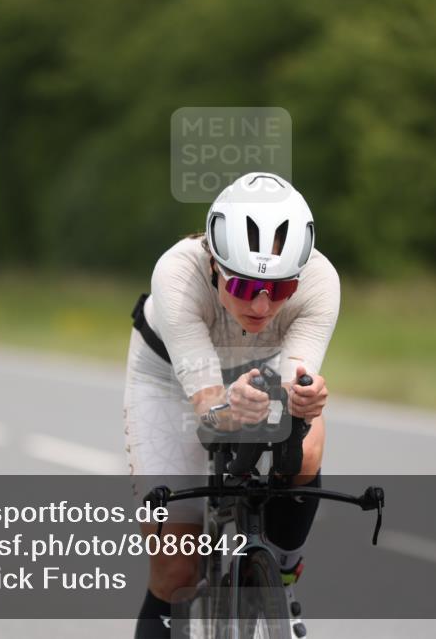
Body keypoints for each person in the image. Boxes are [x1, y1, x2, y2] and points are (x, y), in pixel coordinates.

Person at [124, 172, 339, 638]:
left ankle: (282, 570)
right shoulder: (177, 274)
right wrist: (226, 405)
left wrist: (304, 398)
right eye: (243, 287)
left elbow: (295, 379)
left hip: (261, 364)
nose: (261, 306)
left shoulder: (321, 282)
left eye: (280, 290)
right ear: (215, 265)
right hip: (169, 373)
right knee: (176, 572)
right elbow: (207, 406)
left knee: (307, 445)